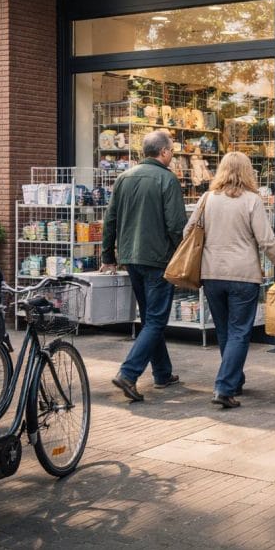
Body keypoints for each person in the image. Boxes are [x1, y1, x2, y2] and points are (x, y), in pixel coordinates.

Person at [189, 151, 275, 409]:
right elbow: (266, 240)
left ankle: (234, 381)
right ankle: (224, 387)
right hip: (243, 276)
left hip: (211, 274)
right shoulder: (252, 201)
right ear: (248, 172)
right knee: (239, 332)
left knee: (225, 331)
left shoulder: (206, 198)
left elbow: (188, 231)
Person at [103, 130, 188, 403]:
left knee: (151, 317)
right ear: (163, 152)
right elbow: (176, 225)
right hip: (158, 259)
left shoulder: (123, 178)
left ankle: (162, 373)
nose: (172, 155)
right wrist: (183, 253)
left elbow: (110, 220)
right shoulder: (167, 179)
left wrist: (108, 255)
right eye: (171, 151)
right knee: (156, 320)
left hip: (130, 257)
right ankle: (129, 373)